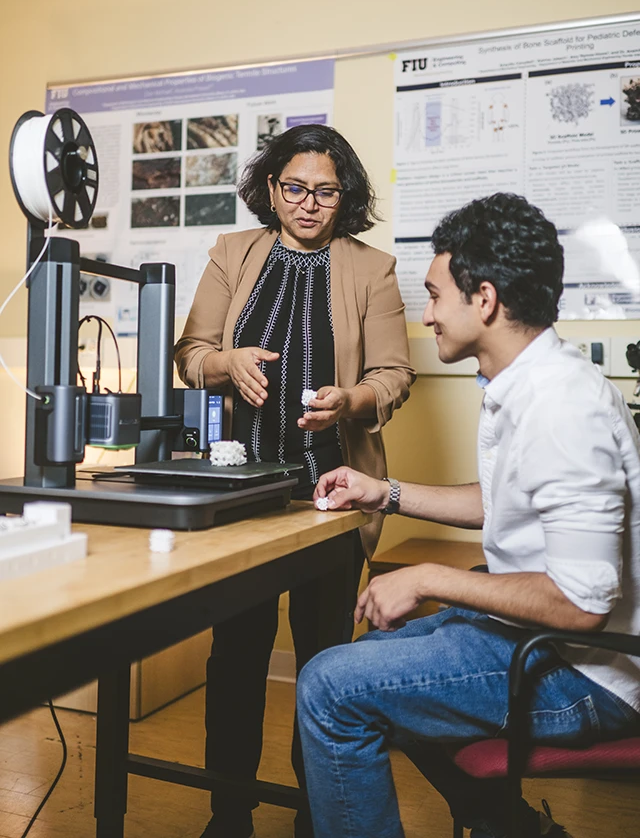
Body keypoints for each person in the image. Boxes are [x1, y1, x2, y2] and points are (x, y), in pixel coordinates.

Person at [297, 193, 640, 838]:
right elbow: (502, 502)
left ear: (484, 300)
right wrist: (383, 492)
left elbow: (582, 604)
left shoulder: (563, 408)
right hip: (539, 639)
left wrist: (429, 577)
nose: (427, 314)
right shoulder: (528, 385)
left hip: (587, 672)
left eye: (434, 296)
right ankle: (514, 829)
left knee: (330, 685)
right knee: (369, 661)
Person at [175, 124, 415, 838]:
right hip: (242, 498)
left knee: (323, 669)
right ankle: (229, 815)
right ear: (272, 188)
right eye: (295, 188)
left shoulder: (372, 268)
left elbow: (395, 374)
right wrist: (226, 364)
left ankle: (319, 815)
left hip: (331, 498)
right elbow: (190, 354)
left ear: (346, 197)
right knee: (236, 659)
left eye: (326, 192)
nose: (309, 204)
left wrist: (354, 399)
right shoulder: (232, 254)